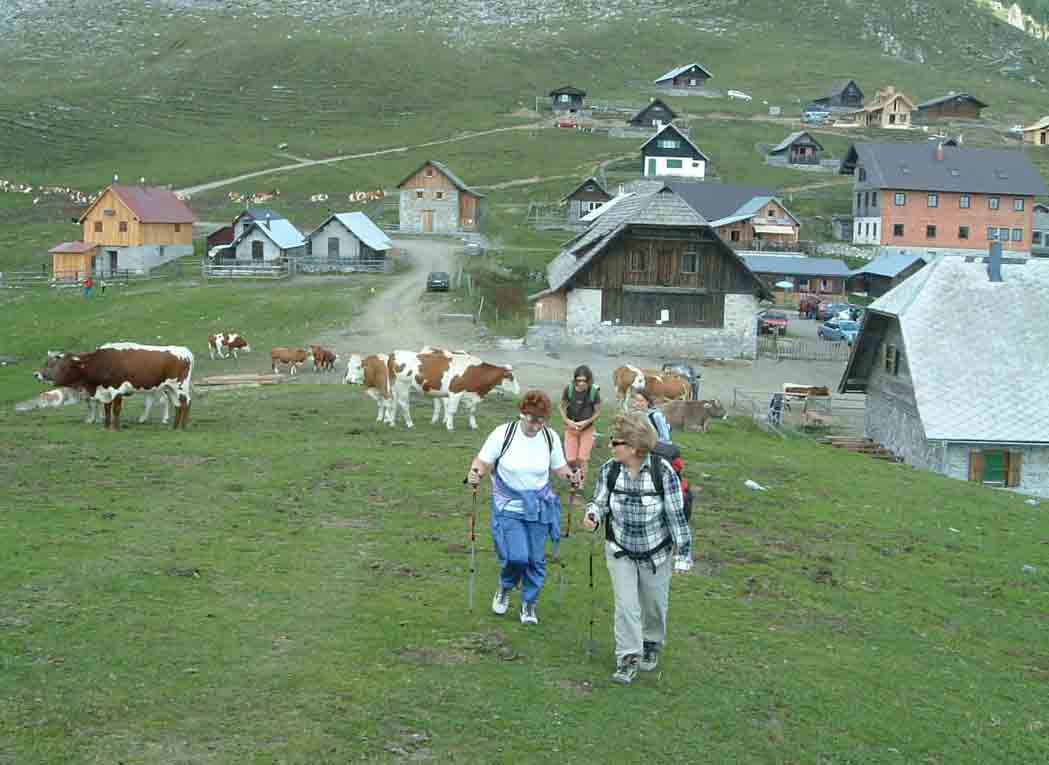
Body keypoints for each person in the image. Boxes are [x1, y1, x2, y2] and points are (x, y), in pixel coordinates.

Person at [582, 412, 692, 685]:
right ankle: (628, 658)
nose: (610, 446)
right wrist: (593, 514)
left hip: (657, 552)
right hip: (620, 550)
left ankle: (652, 642)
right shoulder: (610, 469)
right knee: (626, 605)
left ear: (634, 447)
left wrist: (684, 555)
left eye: (615, 442)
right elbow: (599, 501)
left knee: (654, 604)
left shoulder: (662, 471)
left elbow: (676, 516)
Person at [466, 390, 581, 626]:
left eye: (542, 421)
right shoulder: (504, 434)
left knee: (537, 560)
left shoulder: (549, 437)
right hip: (509, 505)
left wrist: (571, 477)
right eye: (532, 420)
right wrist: (475, 473)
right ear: (522, 414)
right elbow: (483, 461)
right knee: (517, 557)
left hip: (539, 507)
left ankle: (529, 604)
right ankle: (506, 587)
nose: (537, 426)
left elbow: (559, 468)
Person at [559, 365, 602, 483]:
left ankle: (580, 485)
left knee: (582, 459)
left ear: (589, 380)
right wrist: (567, 421)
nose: (582, 383)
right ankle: (574, 478)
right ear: (575, 380)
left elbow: (598, 411)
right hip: (571, 429)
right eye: (579, 380)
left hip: (587, 429)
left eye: (585, 380)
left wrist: (586, 422)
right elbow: (561, 407)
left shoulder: (593, 392)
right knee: (571, 460)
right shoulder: (569, 389)